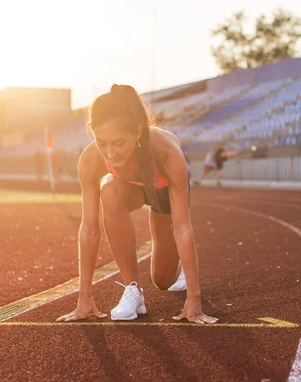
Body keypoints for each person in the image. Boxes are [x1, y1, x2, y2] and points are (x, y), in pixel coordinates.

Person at [57, 84, 218, 324]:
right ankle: (132, 292)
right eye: (102, 142)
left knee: (163, 280)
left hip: (161, 191)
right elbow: (89, 229)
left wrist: (194, 300)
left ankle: (180, 265)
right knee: (109, 190)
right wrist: (84, 297)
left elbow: (182, 228)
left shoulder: (167, 154)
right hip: (129, 187)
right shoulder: (91, 160)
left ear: (138, 132)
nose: (110, 153)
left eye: (119, 143)